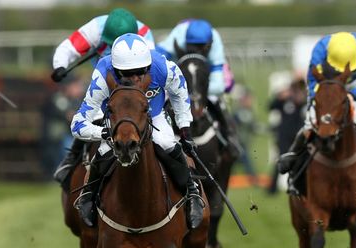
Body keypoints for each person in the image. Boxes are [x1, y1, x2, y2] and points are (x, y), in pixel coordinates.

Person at [69, 33, 204, 230]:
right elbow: (77, 124)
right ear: (115, 69)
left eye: (140, 72)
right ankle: (88, 195)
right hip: (118, 121)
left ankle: (192, 192)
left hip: (153, 115)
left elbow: (180, 94)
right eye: (126, 73)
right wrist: (105, 134)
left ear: (148, 66)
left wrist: (185, 130)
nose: (134, 78)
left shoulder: (164, 67)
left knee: (167, 143)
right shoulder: (103, 73)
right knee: (104, 150)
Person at [51, 7, 155, 184]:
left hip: (135, 87)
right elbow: (68, 47)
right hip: (103, 82)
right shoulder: (95, 28)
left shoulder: (145, 35)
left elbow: (151, 72)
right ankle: (73, 156)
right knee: (91, 117)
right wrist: (60, 65)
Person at [276, 31, 356, 194]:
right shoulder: (321, 48)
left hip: (355, 84)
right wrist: (320, 100)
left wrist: (352, 95)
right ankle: (294, 156)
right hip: (327, 83)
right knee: (311, 121)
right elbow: (312, 82)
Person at [156, 19, 241, 156]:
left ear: (209, 45)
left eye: (201, 47)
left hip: (204, 75)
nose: (197, 49)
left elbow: (218, 86)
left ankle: (229, 137)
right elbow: (155, 59)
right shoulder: (177, 36)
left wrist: (196, 90)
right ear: (186, 42)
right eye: (193, 45)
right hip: (177, 69)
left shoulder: (216, 44)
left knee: (216, 97)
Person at [268, 77, 307, 195]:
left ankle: (297, 185)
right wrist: (280, 96)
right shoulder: (284, 101)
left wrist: (301, 96)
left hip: (297, 136)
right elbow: (270, 106)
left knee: (299, 161)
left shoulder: (302, 102)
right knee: (281, 160)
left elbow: (304, 103)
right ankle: (272, 188)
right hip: (284, 136)